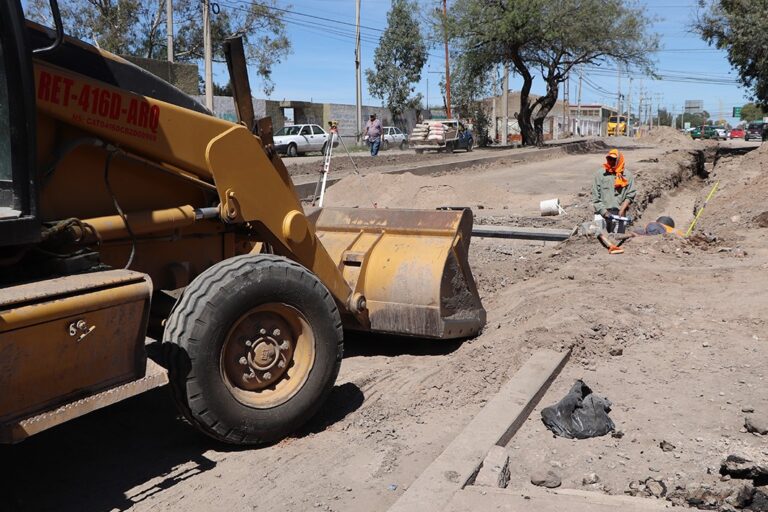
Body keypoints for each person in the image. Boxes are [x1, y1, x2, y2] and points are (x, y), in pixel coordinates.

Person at [592, 148, 637, 233]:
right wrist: (604, 212)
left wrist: (622, 209)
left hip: (619, 213)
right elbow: (595, 197)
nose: (611, 161)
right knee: (601, 238)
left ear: (619, 160)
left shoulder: (627, 175)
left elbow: (631, 194)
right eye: (610, 159)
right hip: (602, 213)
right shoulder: (600, 175)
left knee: (618, 236)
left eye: (614, 159)